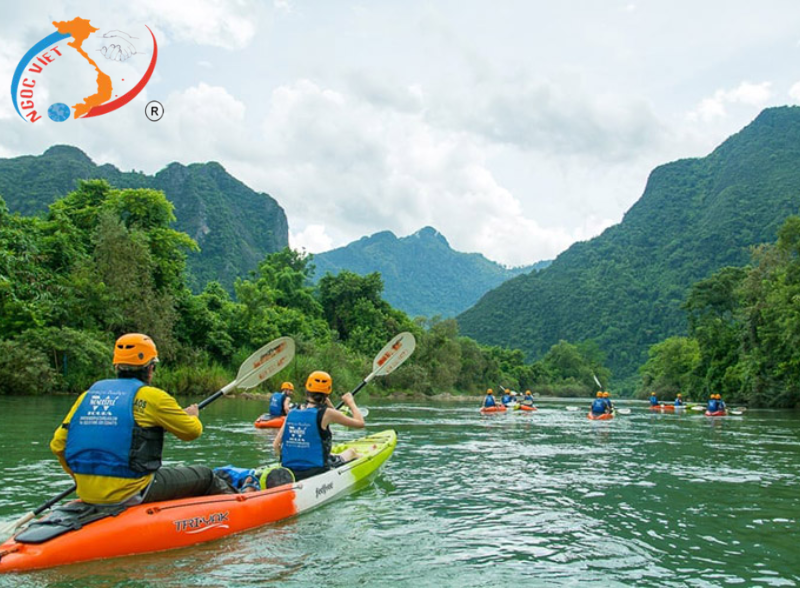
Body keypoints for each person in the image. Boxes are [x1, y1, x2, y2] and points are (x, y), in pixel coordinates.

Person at [50, 333, 235, 506]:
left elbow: (58, 445)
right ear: (150, 368)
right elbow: (192, 432)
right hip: (133, 491)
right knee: (205, 476)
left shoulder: (87, 396)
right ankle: (236, 506)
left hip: (87, 492)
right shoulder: (153, 397)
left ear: (116, 366)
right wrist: (193, 416)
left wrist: (81, 480)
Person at [273, 370, 365, 482]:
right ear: (327, 393)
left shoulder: (291, 412)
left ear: (307, 390)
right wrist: (351, 402)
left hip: (289, 472)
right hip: (317, 471)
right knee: (351, 452)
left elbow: (276, 445)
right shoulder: (328, 413)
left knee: (330, 454)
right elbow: (360, 423)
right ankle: (355, 455)